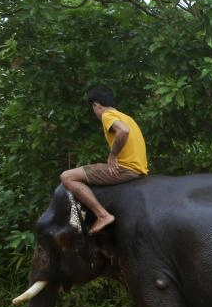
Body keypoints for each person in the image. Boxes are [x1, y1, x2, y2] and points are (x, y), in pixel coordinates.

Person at [60, 85, 148, 233]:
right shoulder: (126, 117)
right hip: (139, 168)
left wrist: (112, 154)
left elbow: (123, 131)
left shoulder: (107, 115)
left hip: (126, 168)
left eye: (93, 108)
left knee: (67, 176)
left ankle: (102, 215)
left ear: (96, 105)